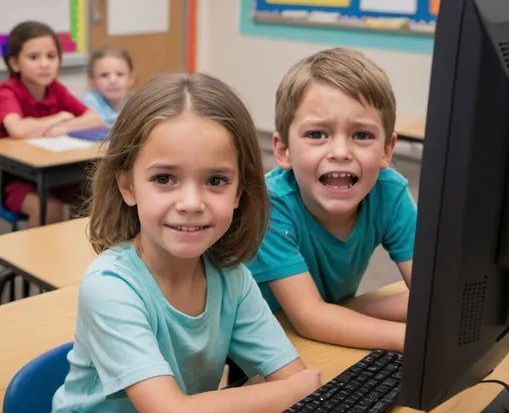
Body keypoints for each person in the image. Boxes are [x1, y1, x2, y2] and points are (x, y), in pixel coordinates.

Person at [52, 73, 321, 413]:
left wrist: (289, 388)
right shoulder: (111, 287)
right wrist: (291, 390)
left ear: (239, 192)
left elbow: (288, 376)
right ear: (127, 186)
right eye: (164, 179)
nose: (191, 203)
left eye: (215, 180)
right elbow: (172, 411)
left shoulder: (231, 278)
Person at [247, 47, 416, 353]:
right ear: (283, 150)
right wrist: (413, 340)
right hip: (266, 343)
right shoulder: (271, 207)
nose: (340, 152)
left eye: (362, 135)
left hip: (327, 316)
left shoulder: (389, 193)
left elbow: (430, 294)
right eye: (317, 134)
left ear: (386, 151)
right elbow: (309, 318)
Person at [0, 21, 103, 226]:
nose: (45, 64)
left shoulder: (57, 90)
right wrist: (59, 117)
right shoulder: (7, 91)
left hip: (54, 174)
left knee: (95, 194)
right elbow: (17, 129)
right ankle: (38, 257)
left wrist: (63, 127)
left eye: (51, 56)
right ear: (14, 64)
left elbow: (95, 119)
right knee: (49, 207)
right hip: (13, 181)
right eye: (34, 57)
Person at [83, 45, 134, 127]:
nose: (113, 80)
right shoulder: (89, 103)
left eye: (120, 74)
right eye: (104, 75)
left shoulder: (132, 102)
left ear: (130, 78)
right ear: (92, 81)